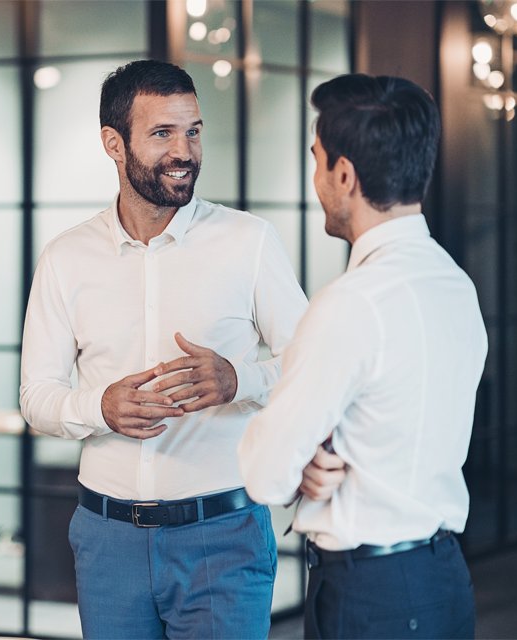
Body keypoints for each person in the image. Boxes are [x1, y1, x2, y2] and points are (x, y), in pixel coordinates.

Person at [20, 59, 312, 639]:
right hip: (108, 541)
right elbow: (37, 397)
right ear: (113, 143)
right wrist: (99, 408)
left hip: (223, 537)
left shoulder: (248, 242)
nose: (185, 151)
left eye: (194, 131)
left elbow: (313, 367)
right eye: (162, 134)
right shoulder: (65, 258)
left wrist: (240, 381)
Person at [238, 74, 487, 639]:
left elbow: (263, 473)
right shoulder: (456, 285)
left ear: (344, 174)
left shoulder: (349, 304)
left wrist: (299, 458)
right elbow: (400, 417)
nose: (316, 177)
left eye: (317, 158)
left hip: (372, 594)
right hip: (443, 578)